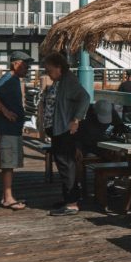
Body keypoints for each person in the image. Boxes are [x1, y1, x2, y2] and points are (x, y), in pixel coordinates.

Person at [40, 51, 90, 216]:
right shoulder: (60, 80)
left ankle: (72, 203)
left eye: (49, 69)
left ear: (58, 67)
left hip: (64, 130)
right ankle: (69, 198)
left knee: (66, 165)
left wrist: (76, 119)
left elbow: (84, 97)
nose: (47, 72)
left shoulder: (68, 81)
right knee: (63, 165)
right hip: (58, 130)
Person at [0, 51, 35, 211]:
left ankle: (8, 196)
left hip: (12, 128)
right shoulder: (8, 78)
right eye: (25, 65)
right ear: (15, 64)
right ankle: (8, 198)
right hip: (6, 128)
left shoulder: (14, 80)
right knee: (7, 163)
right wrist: (5, 112)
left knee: (10, 162)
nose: (27, 69)